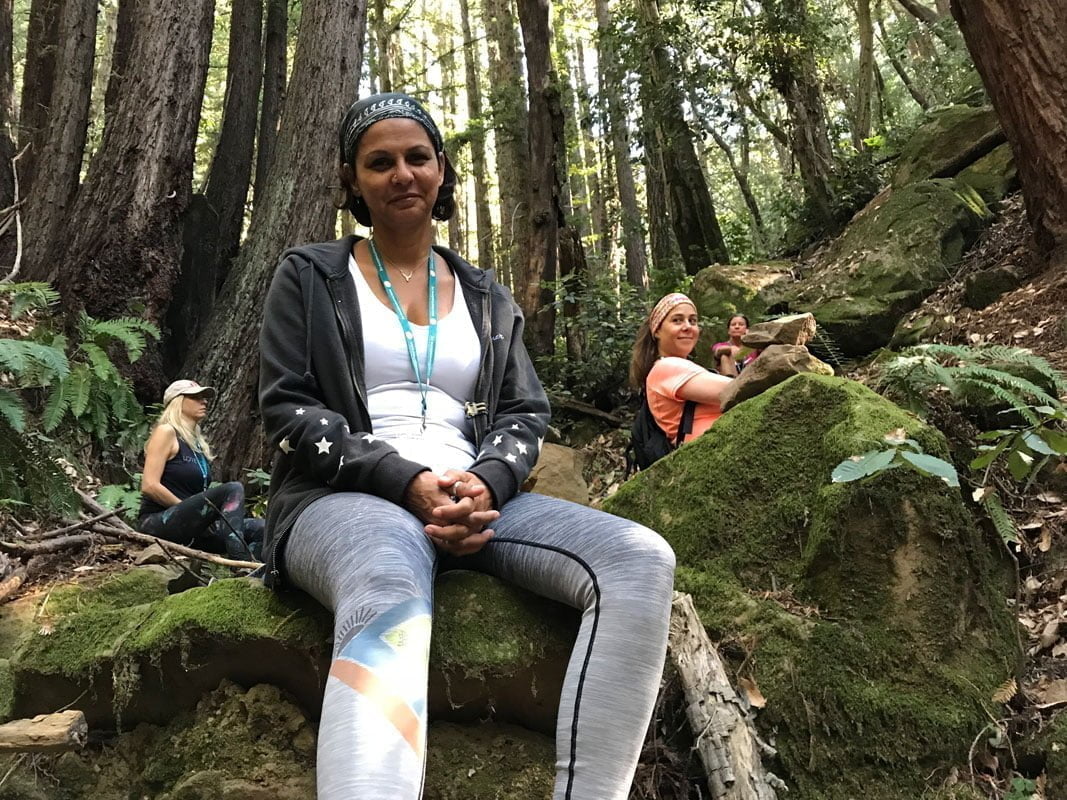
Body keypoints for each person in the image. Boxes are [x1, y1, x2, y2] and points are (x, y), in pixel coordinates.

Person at [257, 92, 675, 800]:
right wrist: (405, 481)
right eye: (379, 162)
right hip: (342, 498)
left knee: (640, 561)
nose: (401, 174)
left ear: (442, 170)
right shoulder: (311, 275)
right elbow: (288, 409)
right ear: (352, 181)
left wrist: (486, 481)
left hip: (477, 499)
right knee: (388, 581)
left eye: (417, 157)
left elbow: (522, 410)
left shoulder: (485, 295)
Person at [138, 380, 263, 561]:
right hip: (157, 521)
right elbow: (149, 485)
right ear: (178, 401)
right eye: (196, 397)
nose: (204, 401)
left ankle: (255, 576)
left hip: (193, 527)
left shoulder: (196, 445)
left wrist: (201, 515)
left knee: (262, 528)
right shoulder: (166, 432)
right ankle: (240, 562)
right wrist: (192, 510)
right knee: (233, 488)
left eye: (204, 398)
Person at [629, 293, 734, 444]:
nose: (687, 327)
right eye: (677, 320)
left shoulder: (674, 367)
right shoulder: (666, 367)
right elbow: (736, 390)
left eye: (692, 320)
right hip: (711, 452)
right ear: (657, 330)